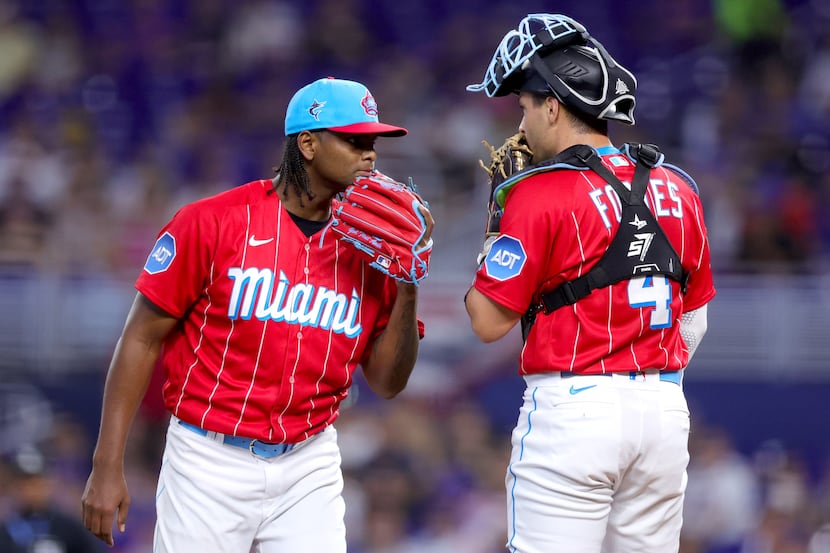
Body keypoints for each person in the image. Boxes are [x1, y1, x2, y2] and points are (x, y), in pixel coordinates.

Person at [80, 76, 434, 553]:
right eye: (354, 140)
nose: (369, 154)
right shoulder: (212, 222)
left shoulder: (377, 251)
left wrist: (409, 281)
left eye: (372, 142)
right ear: (307, 143)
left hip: (309, 460)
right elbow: (140, 338)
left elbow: (388, 383)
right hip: (208, 456)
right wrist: (107, 464)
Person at [464, 14, 716, 553]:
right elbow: (695, 315)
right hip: (664, 414)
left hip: (575, 410)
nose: (522, 122)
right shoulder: (679, 188)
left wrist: (494, 226)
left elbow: (488, 321)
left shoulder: (538, 193)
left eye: (525, 106)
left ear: (553, 105)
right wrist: (648, 378)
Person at [0, 445, 106, 553]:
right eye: (23, 483)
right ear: (12, 486)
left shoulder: (70, 528)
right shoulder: (5, 532)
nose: (30, 490)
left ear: (49, 482)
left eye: (36, 482)